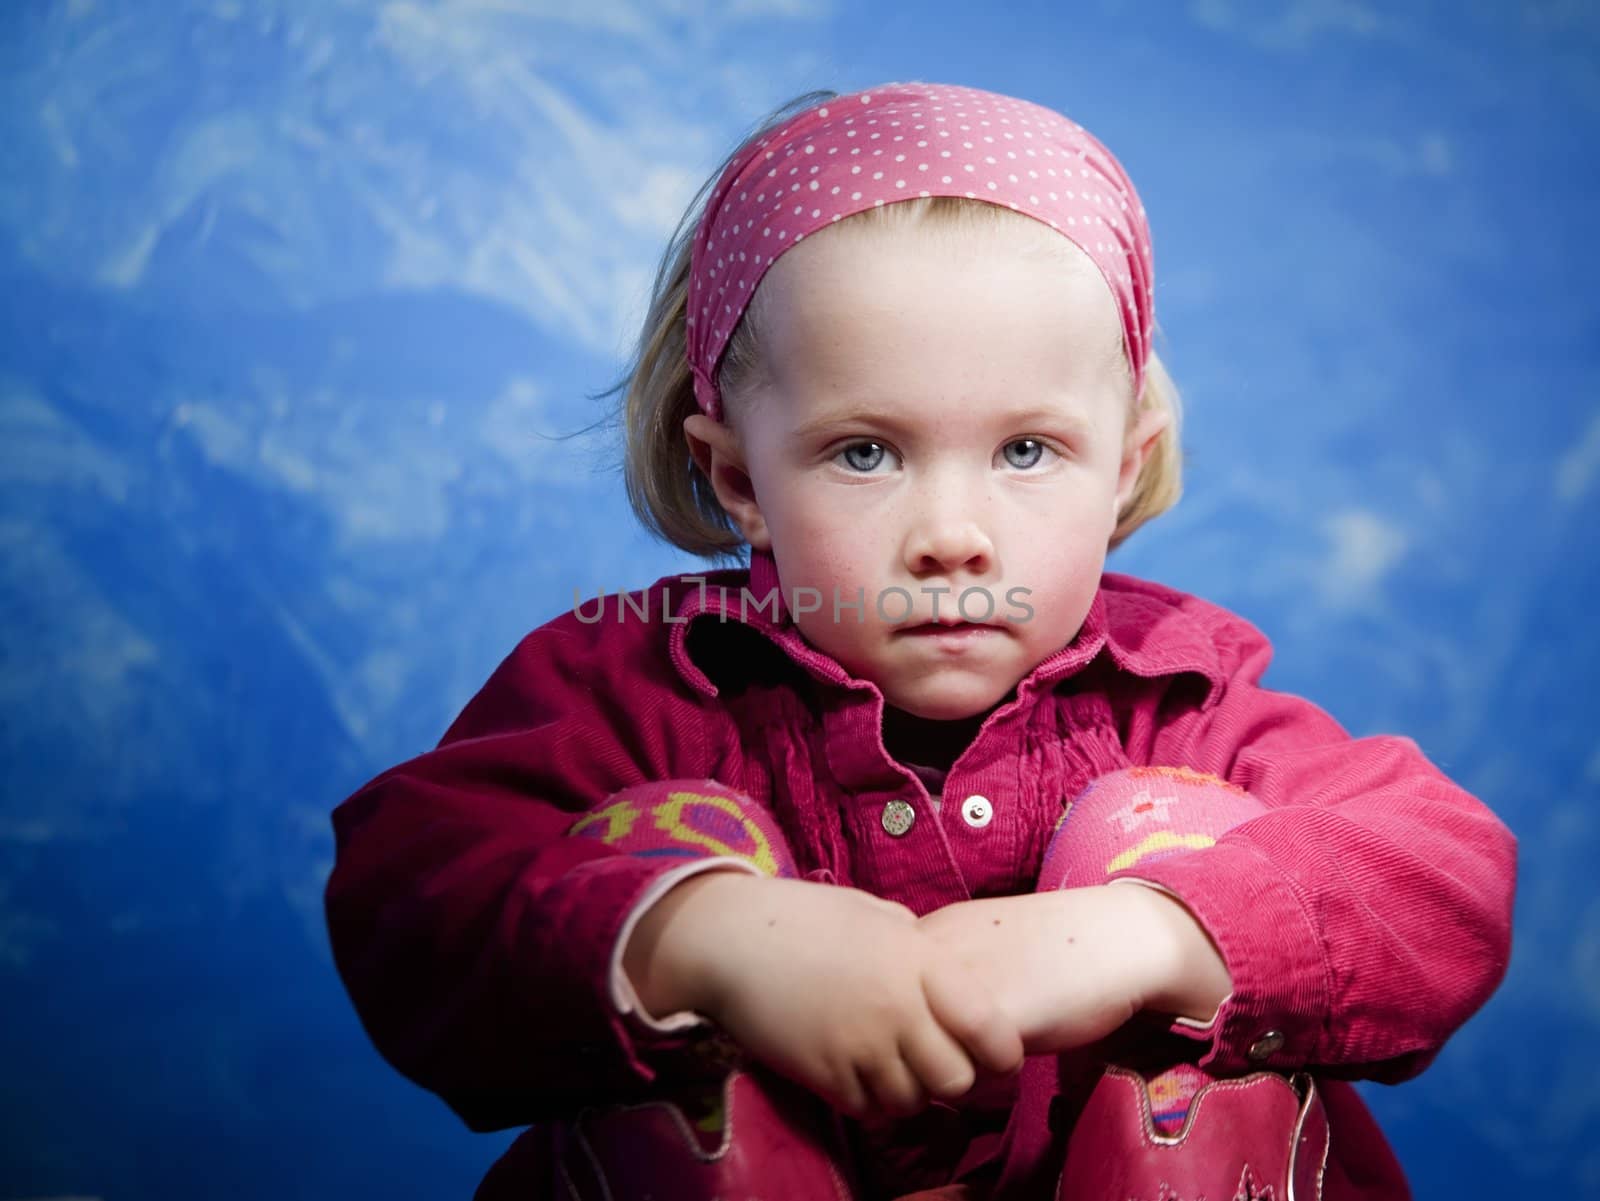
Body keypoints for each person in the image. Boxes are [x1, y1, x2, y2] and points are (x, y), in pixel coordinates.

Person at [323, 81, 1517, 1200]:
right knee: (663, 845)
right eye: (864, 452)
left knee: (1170, 827)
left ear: (1125, 465)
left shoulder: (1182, 697)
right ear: (736, 475)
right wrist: (700, 939)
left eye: (1026, 451)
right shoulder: (634, 689)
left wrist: (1153, 931)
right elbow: (406, 888)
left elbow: (1443, 875)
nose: (952, 536)